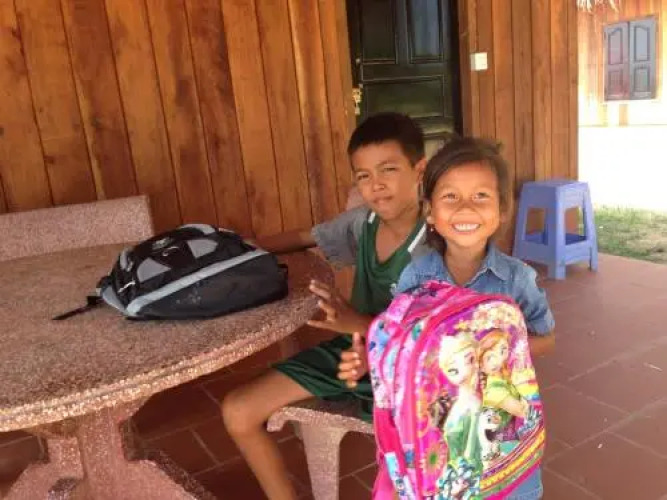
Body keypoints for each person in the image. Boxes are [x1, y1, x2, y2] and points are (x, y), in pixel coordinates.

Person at [220, 112, 432, 500]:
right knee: (238, 410)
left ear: (419, 169)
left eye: (388, 170)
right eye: (363, 175)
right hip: (351, 351)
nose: (376, 185)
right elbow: (305, 236)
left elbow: (435, 339)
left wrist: (361, 324)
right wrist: (239, 249)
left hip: (410, 373)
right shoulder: (363, 222)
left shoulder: (434, 244)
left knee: (419, 459)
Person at [339, 136, 555, 499]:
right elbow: (401, 345)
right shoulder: (416, 277)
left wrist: (495, 352)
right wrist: (369, 361)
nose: (465, 208)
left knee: (512, 488)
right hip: (437, 429)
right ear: (430, 211)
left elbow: (547, 338)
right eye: (450, 197)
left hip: (502, 425)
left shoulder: (517, 279)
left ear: (502, 210)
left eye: (481, 196)